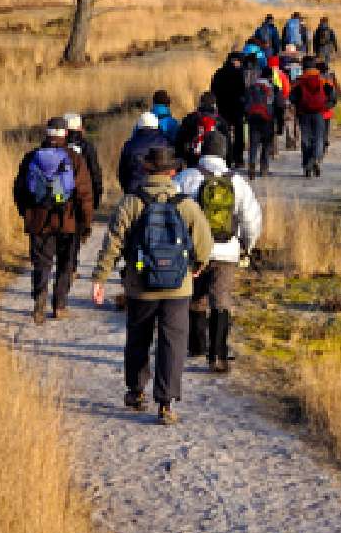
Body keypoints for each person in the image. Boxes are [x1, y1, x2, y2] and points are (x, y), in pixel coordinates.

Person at [92, 146, 212, 425]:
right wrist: (196, 267)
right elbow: (204, 244)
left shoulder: (131, 203)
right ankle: (166, 403)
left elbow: (113, 243)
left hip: (140, 286)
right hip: (178, 288)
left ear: (147, 169)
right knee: (173, 343)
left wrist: (100, 278)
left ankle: (136, 391)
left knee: (138, 338)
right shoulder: (186, 205)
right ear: (172, 172)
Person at [173, 154, 259, 372]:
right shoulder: (237, 182)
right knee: (220, 300)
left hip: (195, 250)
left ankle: (196, 345)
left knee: (195, 296)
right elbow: (251, 219)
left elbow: (172, 212)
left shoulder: (186, 178)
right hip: (227, 251)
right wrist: (247, 246)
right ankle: (218, 355)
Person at [14, 117, 98, 323]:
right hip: (68, 221)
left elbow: (19, 190)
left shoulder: (32, 157)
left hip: (39, 221)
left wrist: (27, 214)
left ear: (47, 133)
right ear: (65, 134)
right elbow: (85, 194)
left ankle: (39, 301)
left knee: (41, 263)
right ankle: (59, 305)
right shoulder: (74, 159)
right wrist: (86, 223)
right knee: (65, 263)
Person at [291, 56, 339, 178]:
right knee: (319, 138)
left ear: (303, 66)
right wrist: (326, 106)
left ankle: (307, 164)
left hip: (303, 114)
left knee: (305, 139)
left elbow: (292, 98)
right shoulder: (323, 80)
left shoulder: (299, 80)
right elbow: (333, 97)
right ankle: (316, 159)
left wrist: (299, 106)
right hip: (319, 113)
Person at [239, 54, 280, 177]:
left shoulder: (251, 87)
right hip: (268, 118)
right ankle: (264, 167)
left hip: (253, 118)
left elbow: (244, 102)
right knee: (266, 144)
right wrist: (279, 120)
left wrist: (245, 115)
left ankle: (251, 165)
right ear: (270, 77)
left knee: (253, 143)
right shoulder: (273, 88)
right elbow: (279, 104)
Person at [117, 111, 171, 196]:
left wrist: (127, 189)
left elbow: (122, 171)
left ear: (138, 126)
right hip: (161, 190)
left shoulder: (130, 144)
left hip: (134, 190)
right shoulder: (165, 142)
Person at [209, 52, 248, 166]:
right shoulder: (240, 74)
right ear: (234, 61)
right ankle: (238, 158)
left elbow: (213, 91)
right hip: (237, 108)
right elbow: (244, 91)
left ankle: (227, 158)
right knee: (239, 134)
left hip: (223, 108)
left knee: (224, 133)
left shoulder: (218, 73)